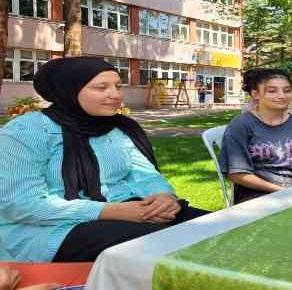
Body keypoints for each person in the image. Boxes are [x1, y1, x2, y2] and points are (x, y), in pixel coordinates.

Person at [0, 57, 208, 263]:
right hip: (51, 229)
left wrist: (164, 198)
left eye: (118, 86)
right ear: (69, 90)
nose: (115, 95)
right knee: (165, 244)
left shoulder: (117, 127)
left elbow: (144, 174)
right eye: (101, 88)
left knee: (216, 227)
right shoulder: (27, 131)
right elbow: (21, 204)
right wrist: (112, 212)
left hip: (129, 209)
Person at [221, 69, 292, 203]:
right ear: (255, 94)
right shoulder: (241, 125)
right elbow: (237, 174)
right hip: (256, 195)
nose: (281, 96)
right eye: (272, 91)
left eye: (287, 90)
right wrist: (282, 192)